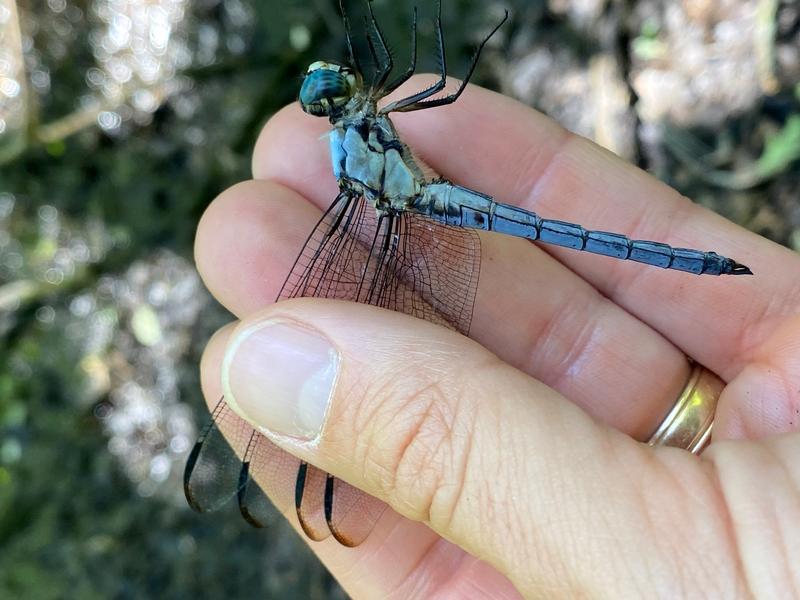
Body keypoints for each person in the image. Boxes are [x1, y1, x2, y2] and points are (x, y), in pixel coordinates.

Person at [194, 79, 800, 598]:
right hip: (427, 203)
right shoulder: (371, 125)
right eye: (333, 96)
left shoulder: (366, 123)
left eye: (335, 90)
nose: (339, 92)